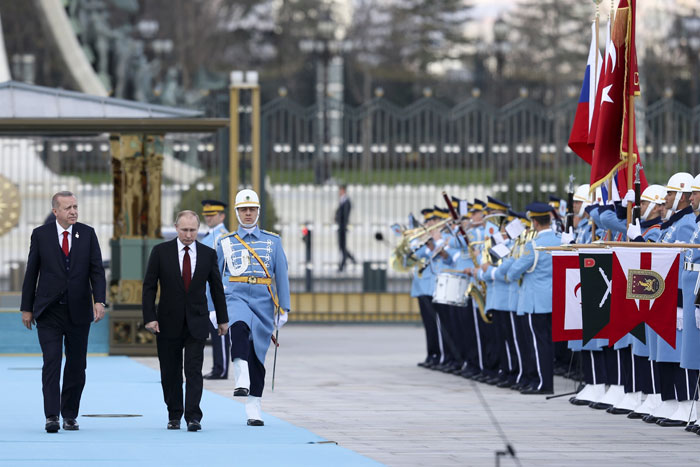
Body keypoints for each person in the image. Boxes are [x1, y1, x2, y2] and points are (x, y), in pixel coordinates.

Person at [20, 191, 107, 433]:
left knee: (77, 365)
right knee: (52, 362)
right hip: (49, 312)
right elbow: (31, 273)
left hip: (79, 311)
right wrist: (27, 307)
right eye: (68, 207)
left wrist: (99, 300)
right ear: (55, 211)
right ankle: (51, 416)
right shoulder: (41, 235)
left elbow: (97, 271)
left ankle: (70, 414)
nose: (73, 211)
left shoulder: (87, 234)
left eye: (75, 207)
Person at [142, 210, 229, 432]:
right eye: (184, 230)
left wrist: (222, 319)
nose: (189, 235)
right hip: (167, 322)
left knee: (193, 370)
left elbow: (217, 289)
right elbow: (149, 287)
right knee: (170, 371)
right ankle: (174, 414)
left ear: (198, 230)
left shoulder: (208, 254)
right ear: (176, 228)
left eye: (192, 230)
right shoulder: (161, 252)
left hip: (197, 322)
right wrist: (150, 317)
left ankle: (193, 416)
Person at [217, 189, 290, 426]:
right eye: (243, 210)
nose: (248, 214)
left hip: (263, 301)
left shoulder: (273, 241)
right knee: (238, 328)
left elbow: (282, 275)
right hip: (235, 297)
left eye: (252, 209)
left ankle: (254, 406)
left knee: (258, 355)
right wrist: (211, 308)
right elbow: (214, 277)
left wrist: (284, 307)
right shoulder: (225, 242)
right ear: (237, 212)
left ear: (258, 211)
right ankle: (240, 377)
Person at [200, 200, 231, 380]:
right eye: (207, 215)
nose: (209, 218)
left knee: (220, 332)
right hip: (206, 292)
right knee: (214, 332)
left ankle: (221, 368)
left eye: (212, 215)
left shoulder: (222, 237)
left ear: (222, 216)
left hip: (215, 291)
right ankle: (217, 367)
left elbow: (223, 268)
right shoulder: (209, 236)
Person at [335, 184, 356, 271]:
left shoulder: (346, 201)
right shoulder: (342, 200)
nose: (339, 192)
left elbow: (345, 215)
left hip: (343, 227)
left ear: (343, 190)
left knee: (342, 246)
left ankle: (342, 265)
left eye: (340, 190)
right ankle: (352, 259)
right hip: (340, 227)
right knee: (342, 246)